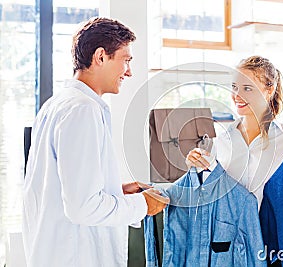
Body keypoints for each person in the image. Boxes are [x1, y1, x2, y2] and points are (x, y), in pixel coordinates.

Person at [22, 17, 169, 267]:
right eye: (126, 60)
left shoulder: (58, 105)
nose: (130, 71)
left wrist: (116, 190)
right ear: (101, 56)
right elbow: (83, 208)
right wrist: (142, 205)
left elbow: (62, 188)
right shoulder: (83, 110)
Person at [186, 55, 283, 205]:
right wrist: (194, 168)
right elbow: (208, 194)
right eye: (234, 87)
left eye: (247, 88)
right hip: (231, 228)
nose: (237, 96)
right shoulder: (221, 141)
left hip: (275, 228)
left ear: (269, 90)